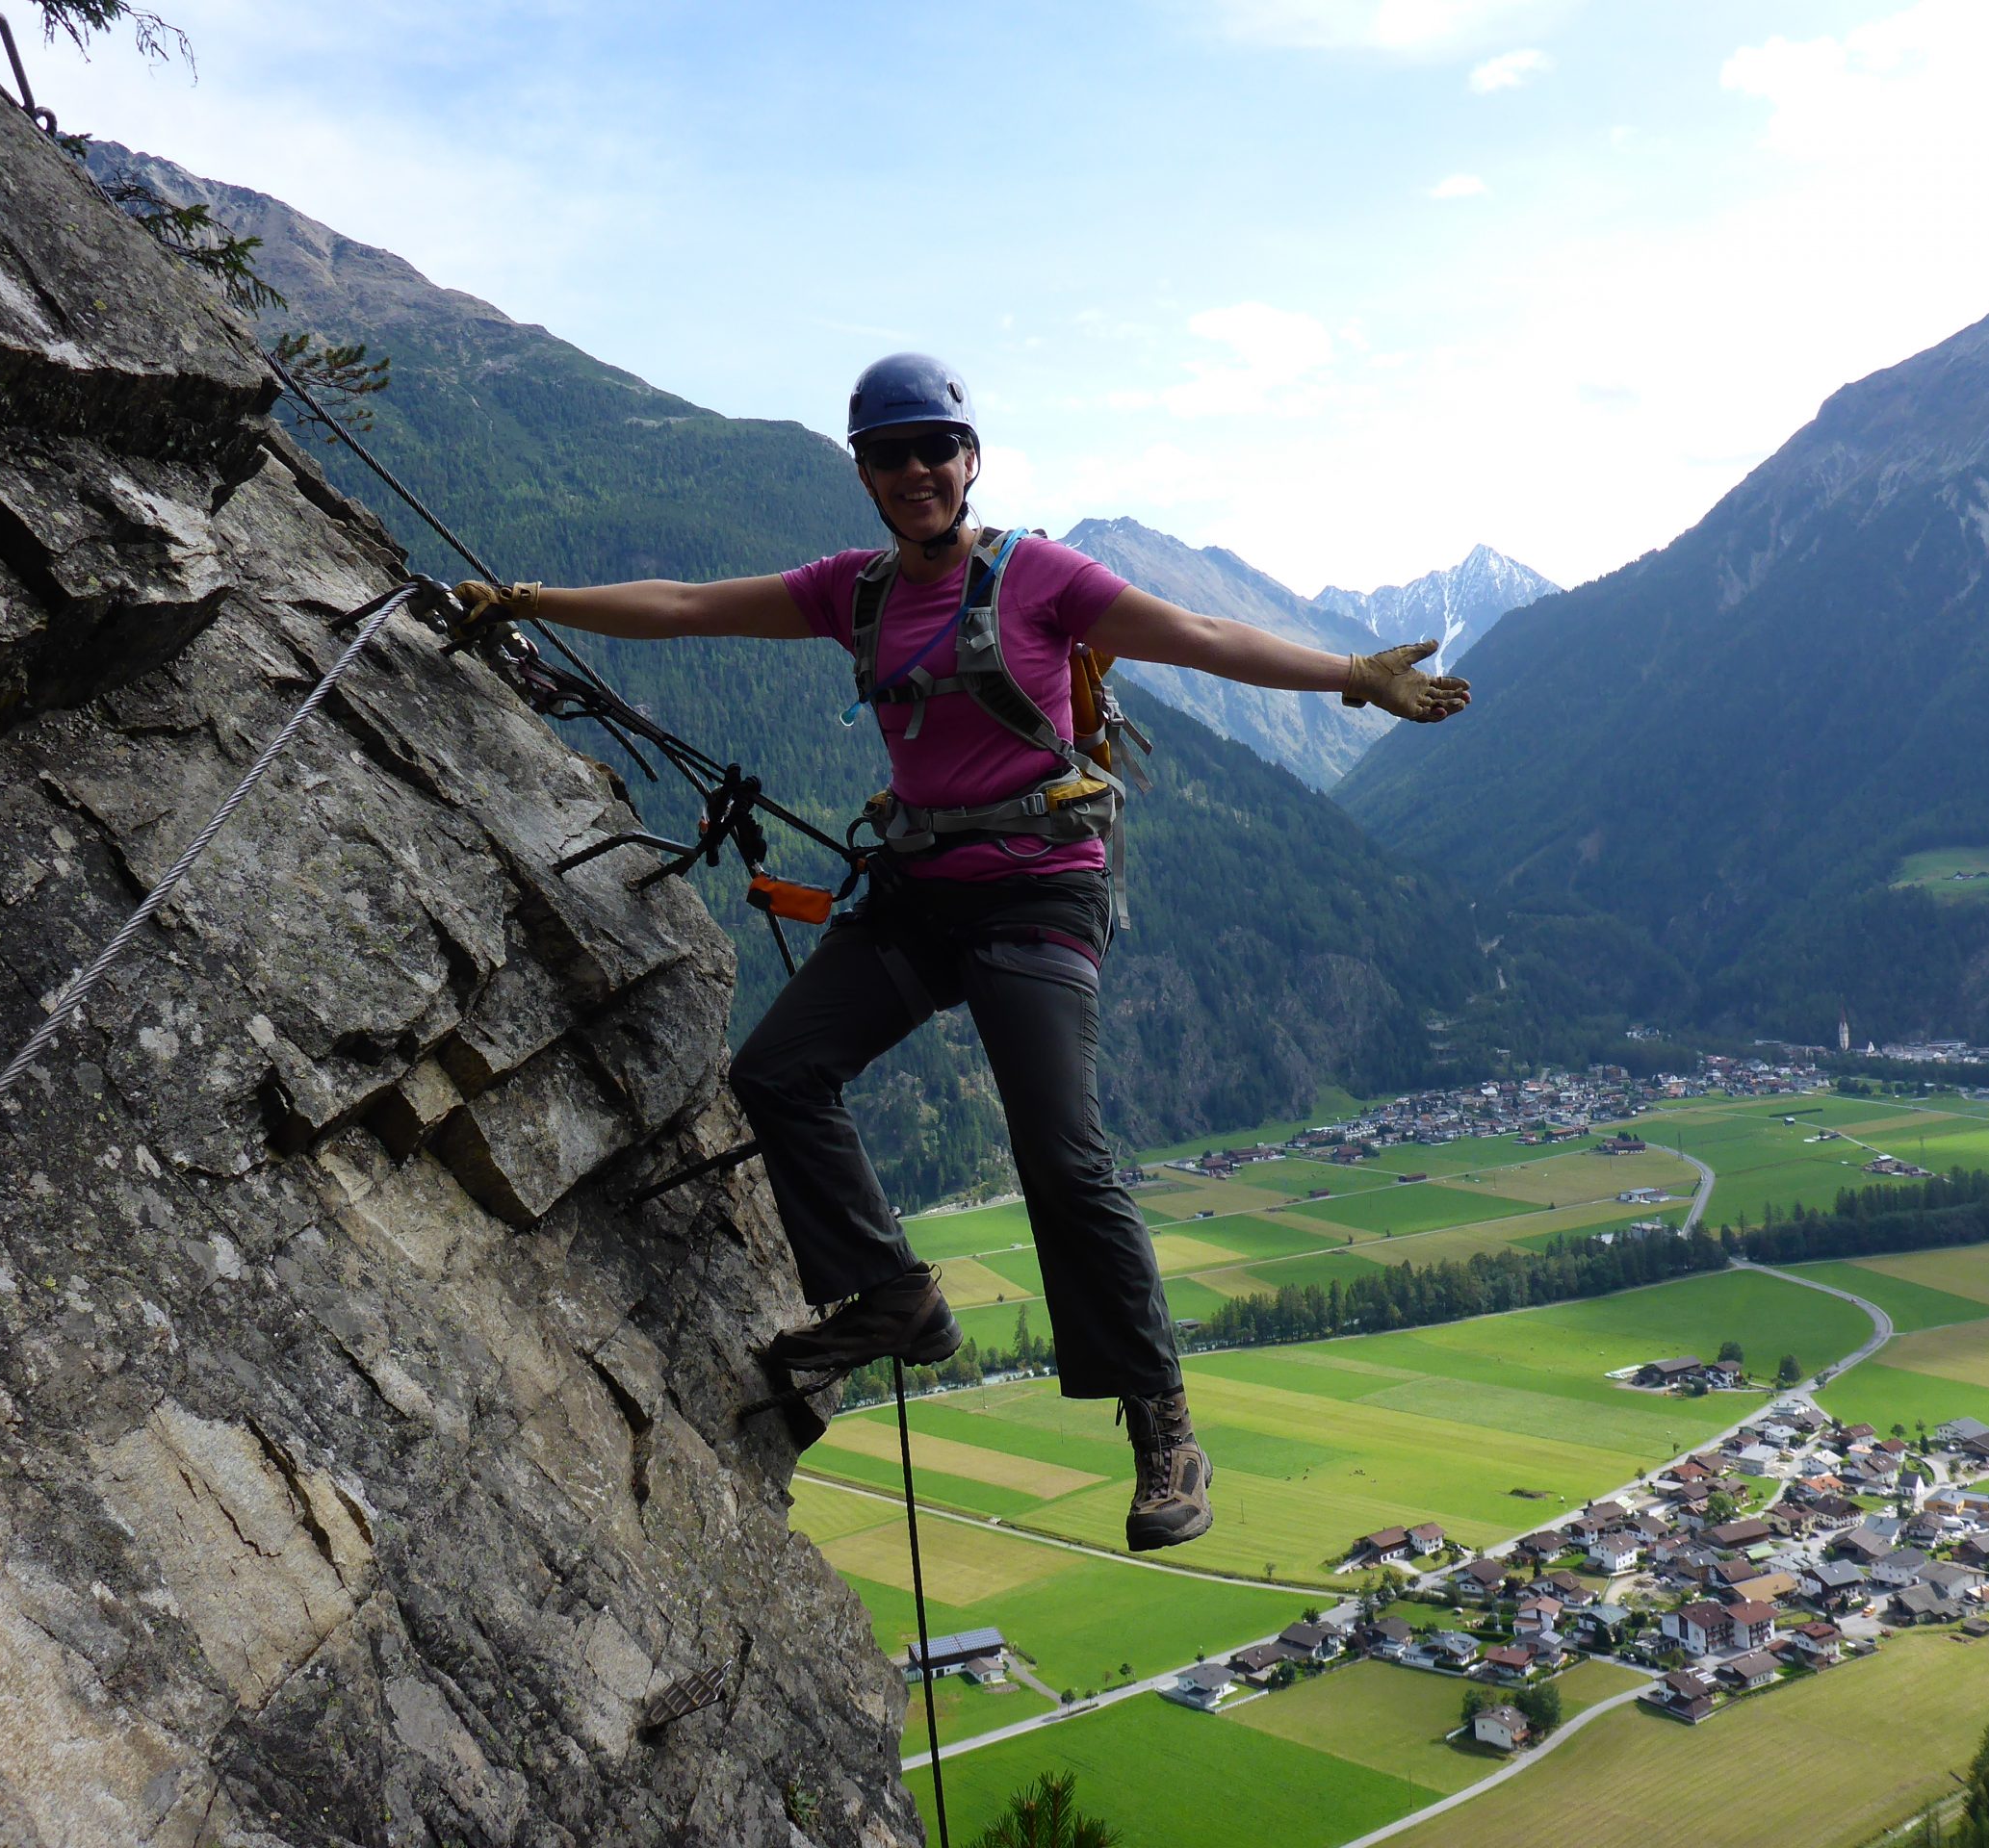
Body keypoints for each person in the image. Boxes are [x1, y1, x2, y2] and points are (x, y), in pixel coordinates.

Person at [455, 354, 1468, 1550]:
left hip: (1041, 892)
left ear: (969, 460)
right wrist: (527, 599)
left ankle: (1164, 1429)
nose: (916, 471)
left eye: (935, 449)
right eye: (890, 455)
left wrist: (1348, 676)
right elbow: (684, 605)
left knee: (1060, 1155)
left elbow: (1192, 633)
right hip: (923, 890)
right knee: (778, 1072)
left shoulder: (1038, 576)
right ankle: (892, 1294)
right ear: (866, 475)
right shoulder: (854, 591)